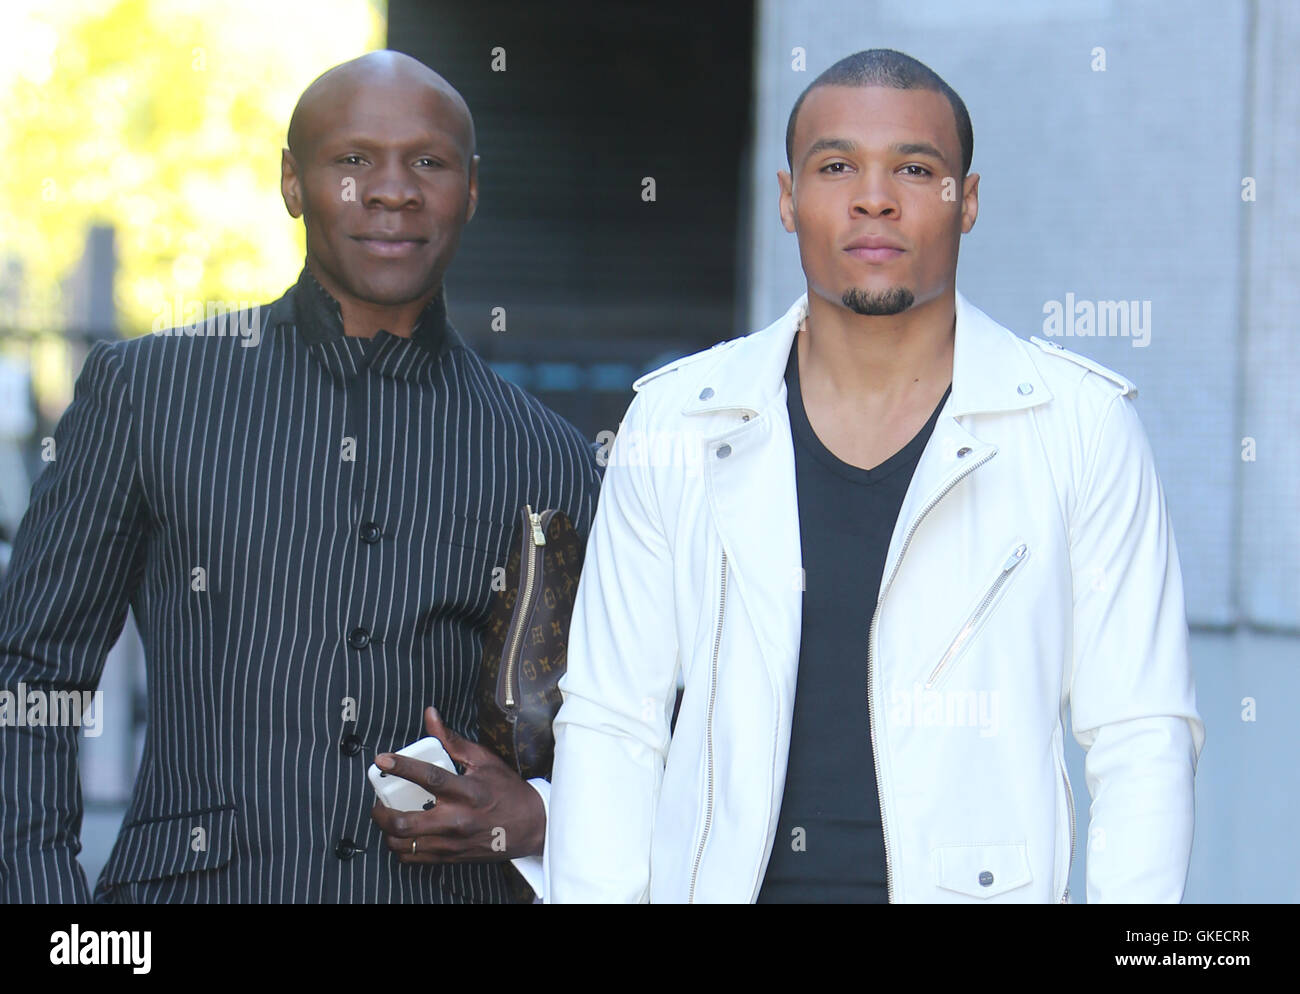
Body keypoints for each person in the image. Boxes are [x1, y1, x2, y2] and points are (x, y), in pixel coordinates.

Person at [545, 48, 1204, 903]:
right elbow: (612, 725)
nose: (874, 197)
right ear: (788, 199)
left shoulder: (1079, 426)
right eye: (836, 165)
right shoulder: (679, 420)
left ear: (966, 202)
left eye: (915, 168)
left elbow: (1140, 735)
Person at [0, 50, 601, 903]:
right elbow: (30, 676)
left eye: (427, 161)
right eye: (353, 159)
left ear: (470, 188)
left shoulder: (549, 456)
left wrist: (540, 815)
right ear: (292, 182)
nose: (392, 190)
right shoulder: (149, 394)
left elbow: (634, 733)